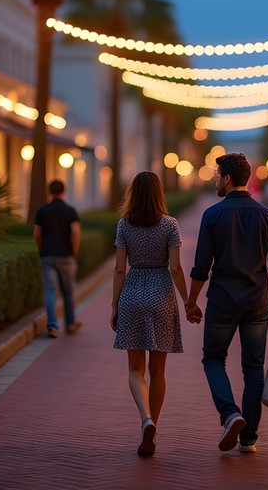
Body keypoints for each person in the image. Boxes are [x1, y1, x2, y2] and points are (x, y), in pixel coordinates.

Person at [184, 152, 268, 454]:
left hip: (222, 302)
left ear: (227, 179)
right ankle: (250, 437)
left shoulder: (213, 215)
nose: (215, 180)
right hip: (258, 301)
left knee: (214, 359)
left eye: (217, 175)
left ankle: (230, 414)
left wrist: (191, 302)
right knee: (253, 368)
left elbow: (201, 267)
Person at [110, 171, 189, 457]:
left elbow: (120, 268)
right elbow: (176, 268)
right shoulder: (170, 225)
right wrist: (189, 300)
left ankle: (144, 419)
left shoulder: (124, 225)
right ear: (159, 193)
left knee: (135, 370)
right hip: (161, 294)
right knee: (158, 371)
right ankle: (153, 425)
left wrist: (115, 304)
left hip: (132, 292)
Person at [34, 179, 82, 338]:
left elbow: (37, 234)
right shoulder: (70, 210)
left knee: (50, 291)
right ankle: (70, 324)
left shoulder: (42, 211)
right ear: (64, 191)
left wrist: (42, 250)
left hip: (47, 256)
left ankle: (52, 326)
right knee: (68, 291)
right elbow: (75, 232)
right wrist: (74, 252)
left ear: (49, 191)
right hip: (66, 255)